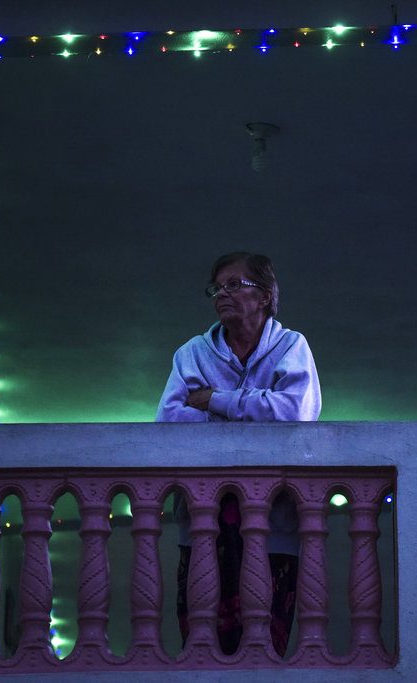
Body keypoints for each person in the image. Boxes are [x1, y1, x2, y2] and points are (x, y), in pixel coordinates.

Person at [155, 251, 321, 656]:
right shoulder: (191, 353)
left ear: (264, 295)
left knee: (265, 644)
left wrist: (213, 400)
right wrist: (256, 412)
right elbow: (168, 423)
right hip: (202, 523)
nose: (220, 295)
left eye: (234, 284)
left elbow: (296, 413)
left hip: (274, 525)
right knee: (202, 642)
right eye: (216, 287)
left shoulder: (291, 346)